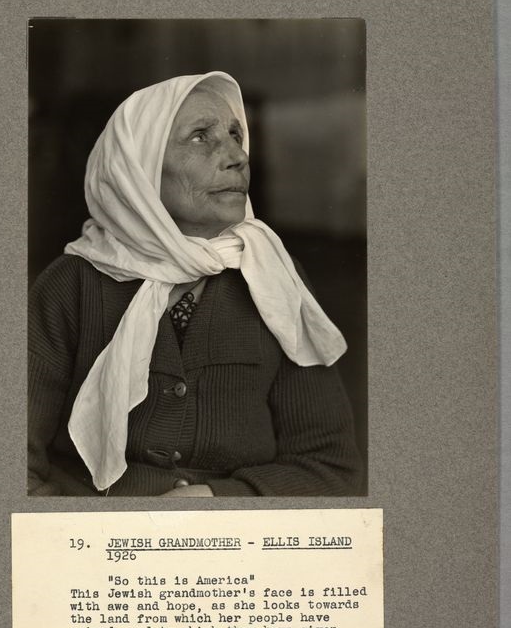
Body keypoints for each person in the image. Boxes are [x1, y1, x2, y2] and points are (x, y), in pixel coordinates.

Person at [28, 71, 363, 497]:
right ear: (139, 167)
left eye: (236, 135)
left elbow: (330, 467)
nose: (237, 157)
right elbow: (10, 464)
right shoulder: (70, 285)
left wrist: (219, 501)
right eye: (201, 137)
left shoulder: (274, 275)